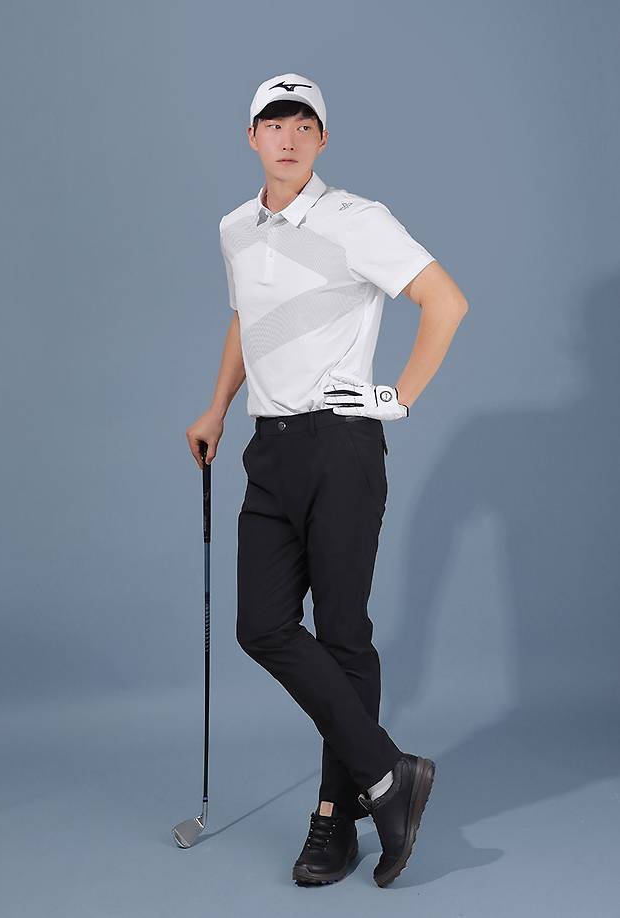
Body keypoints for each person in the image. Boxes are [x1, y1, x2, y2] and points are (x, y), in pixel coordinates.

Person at [186, 72, 469, 888]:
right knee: (263, 625)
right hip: (268, 447)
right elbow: (247, 319)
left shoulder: (356, 219)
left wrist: (397, 398)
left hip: (341, 445)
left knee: (343, 634)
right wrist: (216, 407)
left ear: (322, 138)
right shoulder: (235, 228)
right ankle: (389, 775)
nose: (288, 136)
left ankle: (333, 819)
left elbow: (444, 302)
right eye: (273, 123)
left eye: (303, 124)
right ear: (251, 137)